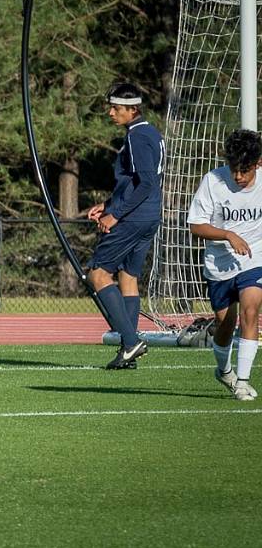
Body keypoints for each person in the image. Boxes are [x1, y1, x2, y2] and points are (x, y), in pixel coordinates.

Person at [87, 82, 164, 369]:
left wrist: (115, 214)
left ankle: (131, 342)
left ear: (132, 109)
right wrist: (107, 205)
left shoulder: (137, 136)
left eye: (116, 108)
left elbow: (146, 182)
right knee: (128, 277)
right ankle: (127, 352)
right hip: (149, 215)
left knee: (98, 274)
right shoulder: (150, 133)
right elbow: (135, 181)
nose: (110, 112)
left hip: (133, 217)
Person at [188, 129, 262, 401]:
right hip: (219, 265)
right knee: (225, 325)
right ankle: (224, 370)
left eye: (245, 170)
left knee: (251, 311)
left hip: (255, 260)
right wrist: (228, 234)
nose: (238, 176)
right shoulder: (213, 181)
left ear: (258, 163)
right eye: (234, 169)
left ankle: (242, 382)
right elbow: (196, 225)